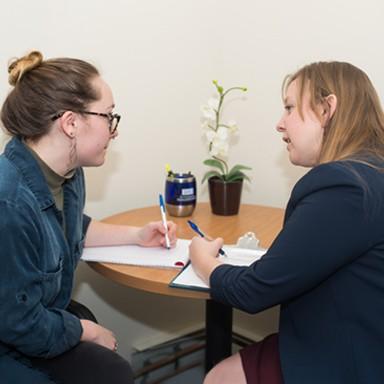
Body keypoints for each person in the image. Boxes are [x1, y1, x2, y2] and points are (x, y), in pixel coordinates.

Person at [190, 61, 384, 384]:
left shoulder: (344, 186)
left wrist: (204, 262)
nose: (280, 124)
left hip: (350, 360)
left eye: (290, 108)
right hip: (363, 336)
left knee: (219, 379)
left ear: (327, 108)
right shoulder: (372, 172)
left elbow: (253, 292)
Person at [0, 51, 177, 384]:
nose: (114, 131)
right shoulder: (8, 202)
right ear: (70, 123)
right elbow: (18, 322)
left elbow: (68, 227)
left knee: (112, 370)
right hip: (12, 335)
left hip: (34, 321)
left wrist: (137, 235)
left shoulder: (67, 173)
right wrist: (84, 331)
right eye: (109, 116)